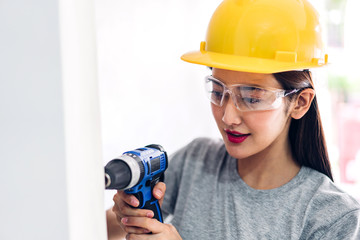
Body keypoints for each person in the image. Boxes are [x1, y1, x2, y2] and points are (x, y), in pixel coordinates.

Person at [107, 0, 360, 239]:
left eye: (251, 98)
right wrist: (124, 218)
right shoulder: (195, 162)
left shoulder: (335, 218)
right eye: (218, 92)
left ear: (300, 102)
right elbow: (99, 229)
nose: (228, 116)